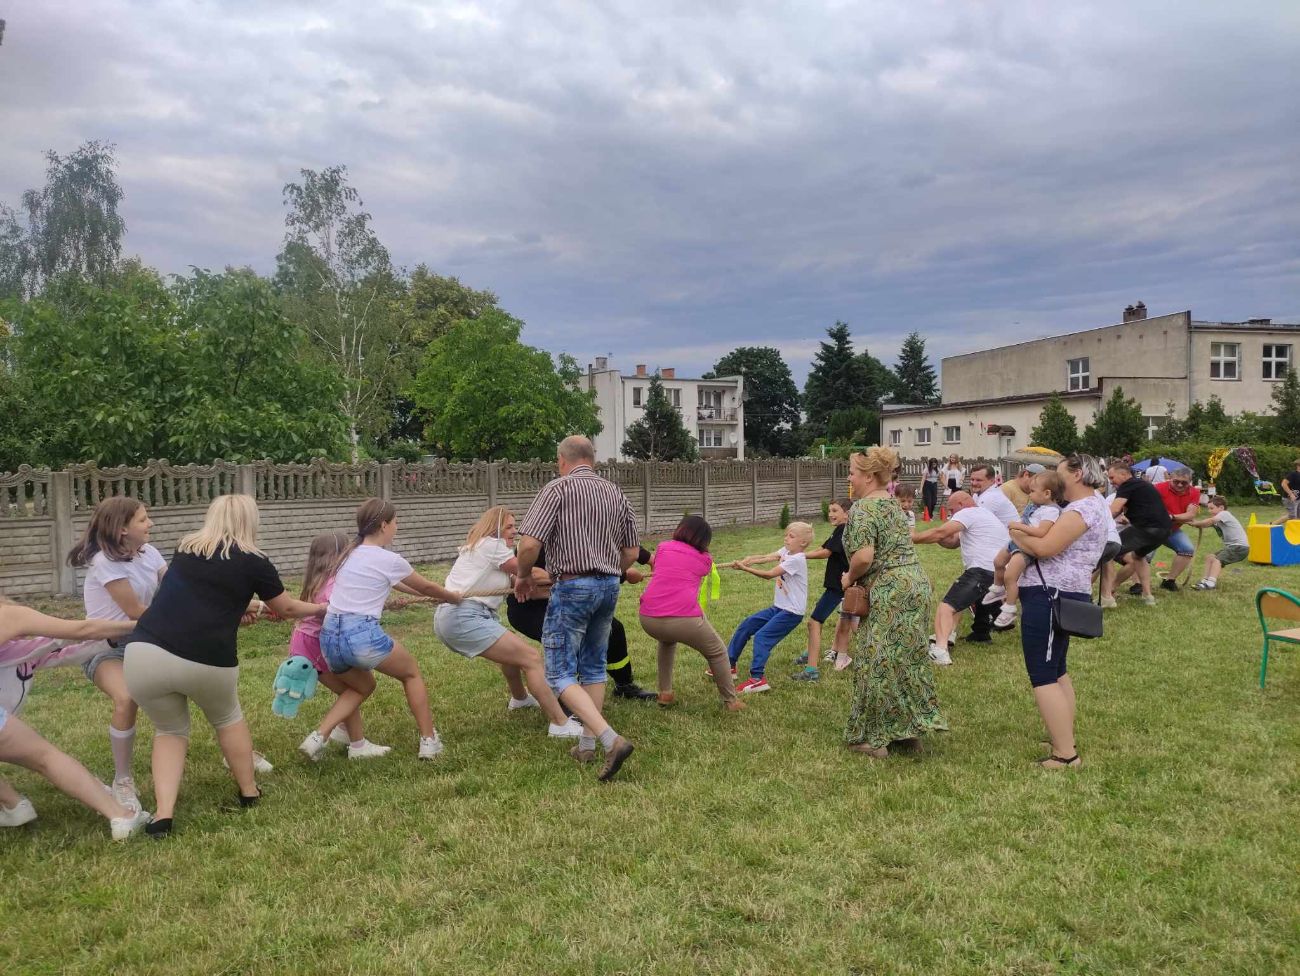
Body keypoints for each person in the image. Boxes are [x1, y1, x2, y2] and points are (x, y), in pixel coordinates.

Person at [124, 494, 326, 838]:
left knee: (169, 732)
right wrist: (321, 609)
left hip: (145, 653)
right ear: (251, 521)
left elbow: (202, 593)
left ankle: (163, 815)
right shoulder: (255, 561)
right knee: (228, 719)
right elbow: (287, 608)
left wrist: (243, 606)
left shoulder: (186, 548)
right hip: (207, 660)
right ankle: (249, 792)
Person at [514, 435, 639, 781]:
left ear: (561, 460)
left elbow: (529, 544)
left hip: (572, 586)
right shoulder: (616, 492)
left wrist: (523, 577)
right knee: (594, 665)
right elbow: (631, 550)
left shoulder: (557, 489)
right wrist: (609, 565)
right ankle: (586, 746)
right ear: (592, 459)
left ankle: (609, 739)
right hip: (609, 585)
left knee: (559, 673)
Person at [301, 498, 463, 764]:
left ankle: (320, 736)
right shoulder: (389, 558)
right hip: (359, 635)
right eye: (395, 522)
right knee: (411, 673)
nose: (396, 528)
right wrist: (451, 597)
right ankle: (429, 741)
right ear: (384, 525)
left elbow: (399, 584)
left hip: (329, 638)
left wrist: (432, 596)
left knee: (361, 686)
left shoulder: (347, 554)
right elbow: (426, 587)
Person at [0, 600, 150, 839]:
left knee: (30, 754)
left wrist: (106, 641)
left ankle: (13, 805)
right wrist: (138, 625)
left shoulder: (17, 649)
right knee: (45, 758)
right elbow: (74, 633)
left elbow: (54, 653)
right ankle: (120, 814)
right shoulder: (9, 616)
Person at [433, 507, 581, 738]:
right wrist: (570, 576)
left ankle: (520, 699)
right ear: (495, 527)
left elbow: (527, 586)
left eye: (515, 526)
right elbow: (530, 573)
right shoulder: (491, 545)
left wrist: (560, 589)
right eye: (510, 526)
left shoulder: (484, 549)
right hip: (464, 615)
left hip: (457, 616)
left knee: (512, 655)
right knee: (531, 658)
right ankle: (560, 724)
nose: (516, 530)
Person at [841, 447, 946, 759]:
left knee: (878, 661)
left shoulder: (863, 508)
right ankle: (907, 732)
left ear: (869, 476)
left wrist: (848, 578)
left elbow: (863, 557)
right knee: (907, 660)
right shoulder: (891, 505)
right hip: (915, 583)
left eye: (853, 473)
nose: (849, 477)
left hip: (889, 588)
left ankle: (874, 738)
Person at [1009, 453, 1110, 769]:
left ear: (1077, 474)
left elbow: (1044, 548)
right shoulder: (1094, 505)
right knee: (1057, 670)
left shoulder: (1082, 509)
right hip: (1062, 592)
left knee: (1042, 674)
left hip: (1049, 593)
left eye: (1061, 471)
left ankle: (1065, 755)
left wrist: (1015, 531)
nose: (1056, 477)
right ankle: (1062, 736)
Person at [66, 497, 166, 809]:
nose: (150, 524)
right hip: (105, 647)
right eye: (143, 520)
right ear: (123, 529)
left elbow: (176, 587)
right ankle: (122, 781)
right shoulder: (103, 563)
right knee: (126, 698)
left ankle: (238, 750)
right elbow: (135, 611)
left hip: (143, 641)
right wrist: (185, 616)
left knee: (195, 681)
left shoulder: (149, 553)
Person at [504, 546, 656, 708]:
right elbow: (535, 576)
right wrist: (622, 574)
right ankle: (567, 705)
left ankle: (624, 685)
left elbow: (621, 544)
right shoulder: (546, 539)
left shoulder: (588, 531)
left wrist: (648, 559)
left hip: (569, 599)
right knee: (571, 638)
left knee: (614, 629)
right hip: (530, 607)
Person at [287, 532, 390, 759]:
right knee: (363, 687)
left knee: (348, 692)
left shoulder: (315, 580)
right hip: (318, 646)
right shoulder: (335, 583)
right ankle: (321, 735)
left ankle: (353, 740)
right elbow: (342, 613)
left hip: (303, 644)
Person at [637, 516, 743, 709]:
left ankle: (665, 693)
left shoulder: (662, 547)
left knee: (667, 641)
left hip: (648, 618)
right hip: (683, 619)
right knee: (718, 653)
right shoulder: (705, 559)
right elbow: (702, 569)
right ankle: (731, 701)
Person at [911, 490, 1009, 664]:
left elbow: (941, 533)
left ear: (962, 504)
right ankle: (950, 634)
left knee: (947, 606)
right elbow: (952, 542)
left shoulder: (968, 513)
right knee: (956, 596)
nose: (950, 515)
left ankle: (940, 651)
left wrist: (912, 538)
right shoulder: (984, 516)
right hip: (998, 573)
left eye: (951, 511)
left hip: (983, 570)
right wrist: (937, 537)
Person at [726, 522, 814, 692]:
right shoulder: (787, 552)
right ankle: (729, 666)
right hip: (779, 608)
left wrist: (744, 568)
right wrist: (750, 559)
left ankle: (757, 679)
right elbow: (767, 557)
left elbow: (769, 575)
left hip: (791, 612)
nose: (786, 538)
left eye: (791, 536)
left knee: (762, 637)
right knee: (747, 625)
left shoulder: (797, 559)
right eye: (786, 534)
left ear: (802, 543)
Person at [985, 471, 1064, 630]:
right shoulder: (1036, 506)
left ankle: (1010, 607)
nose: (1030, 494)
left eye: (1033, 491)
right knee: (998, 562)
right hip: (1016, 540)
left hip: (1026, 548)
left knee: (1011, 576)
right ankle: (998, 588)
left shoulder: (1051, 511)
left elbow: (1041, 532)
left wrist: (1018, 525)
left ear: (1047, 493)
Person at [792, 499, 858, 681]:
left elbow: (825, 553)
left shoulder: (844, 529)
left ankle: (811, 669)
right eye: (830, 510)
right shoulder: (840, 530)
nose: (831, 514)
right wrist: (799, 554)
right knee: (823, 620)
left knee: (814, 621)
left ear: (847, 513)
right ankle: (809, 652)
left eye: (835, 510)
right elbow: (823, 547)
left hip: (838, 586)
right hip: (837, 585)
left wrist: (800, 555)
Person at [1099, 462, 1172, 608]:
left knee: (1106, 551)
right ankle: (1148, 595)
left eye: (1112, 477)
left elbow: (1114, 509)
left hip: (1145, 528)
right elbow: (1120, 511)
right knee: (1138, 556)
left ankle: (1105, 596)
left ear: (1124, 474)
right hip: (1164, 531)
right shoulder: (1141, 485)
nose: (1111, 481)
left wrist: (1096, 523)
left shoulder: (1128, 485)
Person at [1146, 466, 1201, 592]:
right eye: (1176, 481)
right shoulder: (1158, 488)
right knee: (1142, 556)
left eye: (1184, 482)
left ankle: (1169, 581)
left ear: (1190, 481)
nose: (1180, 485)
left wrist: (1171, 517)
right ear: (1170, 478)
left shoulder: (1194, 492)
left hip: (1172, 530)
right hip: (1153, 529)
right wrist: (1177, 518)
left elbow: (1190, 515)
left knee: (1187, 550)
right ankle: (1137, 585)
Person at [1188, 497, 1249, 591]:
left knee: (1217, 560)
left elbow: (1210, 521)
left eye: (1211, 508)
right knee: (1210, 557)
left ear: (1221, 508)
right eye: (1208, 508)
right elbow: (1206, 524)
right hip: (1233, 547)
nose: (1209, 511)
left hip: (1240, 547)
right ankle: (1204, 581)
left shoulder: (1224, 514)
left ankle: (1211, 583)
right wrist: (1194, 523)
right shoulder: (1218, 518)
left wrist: (1198, 523)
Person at [968, 463, 1020, 527]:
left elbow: (975, 524)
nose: (974, 483)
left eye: (979, 480)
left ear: (992, 481)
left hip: (1009, 535)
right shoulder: (978, 494)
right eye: (972, 479)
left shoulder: (991, 497)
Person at [1277, 458, 1300, 523]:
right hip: (1289, 499)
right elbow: (1283, 484)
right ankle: (1271, 525)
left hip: (1298, 500)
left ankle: (1296, 532)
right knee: (1292, 515)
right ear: (1298, 466)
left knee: (1297, 517)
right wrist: (1291, 494)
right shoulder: (1293, 474)